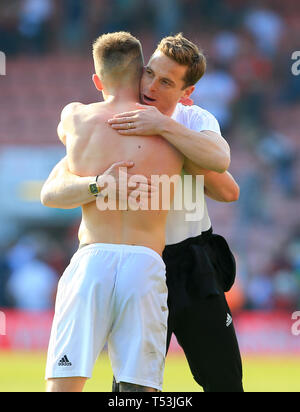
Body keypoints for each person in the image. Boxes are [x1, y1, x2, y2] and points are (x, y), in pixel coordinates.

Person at [41, 33, 243, 392]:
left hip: (190, 257)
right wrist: (100, 183)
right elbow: (57, 180)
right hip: (144, 258)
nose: (151, 85)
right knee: (131, 385)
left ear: (186, 93)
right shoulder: (111, 119)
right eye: (149, 73)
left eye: (166, 81)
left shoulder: (194, 119)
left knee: (223, 378)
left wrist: (164, 128)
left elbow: (229, 188)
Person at [44, 31, 185, 393]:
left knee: (64, 384)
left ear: (96, 80)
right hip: (145, 261)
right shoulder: (172, 128)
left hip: (92, 258)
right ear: (142, 74)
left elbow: (52, 193)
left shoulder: (75, 117)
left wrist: (97, 183)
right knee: (139, 390)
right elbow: (221, 166)